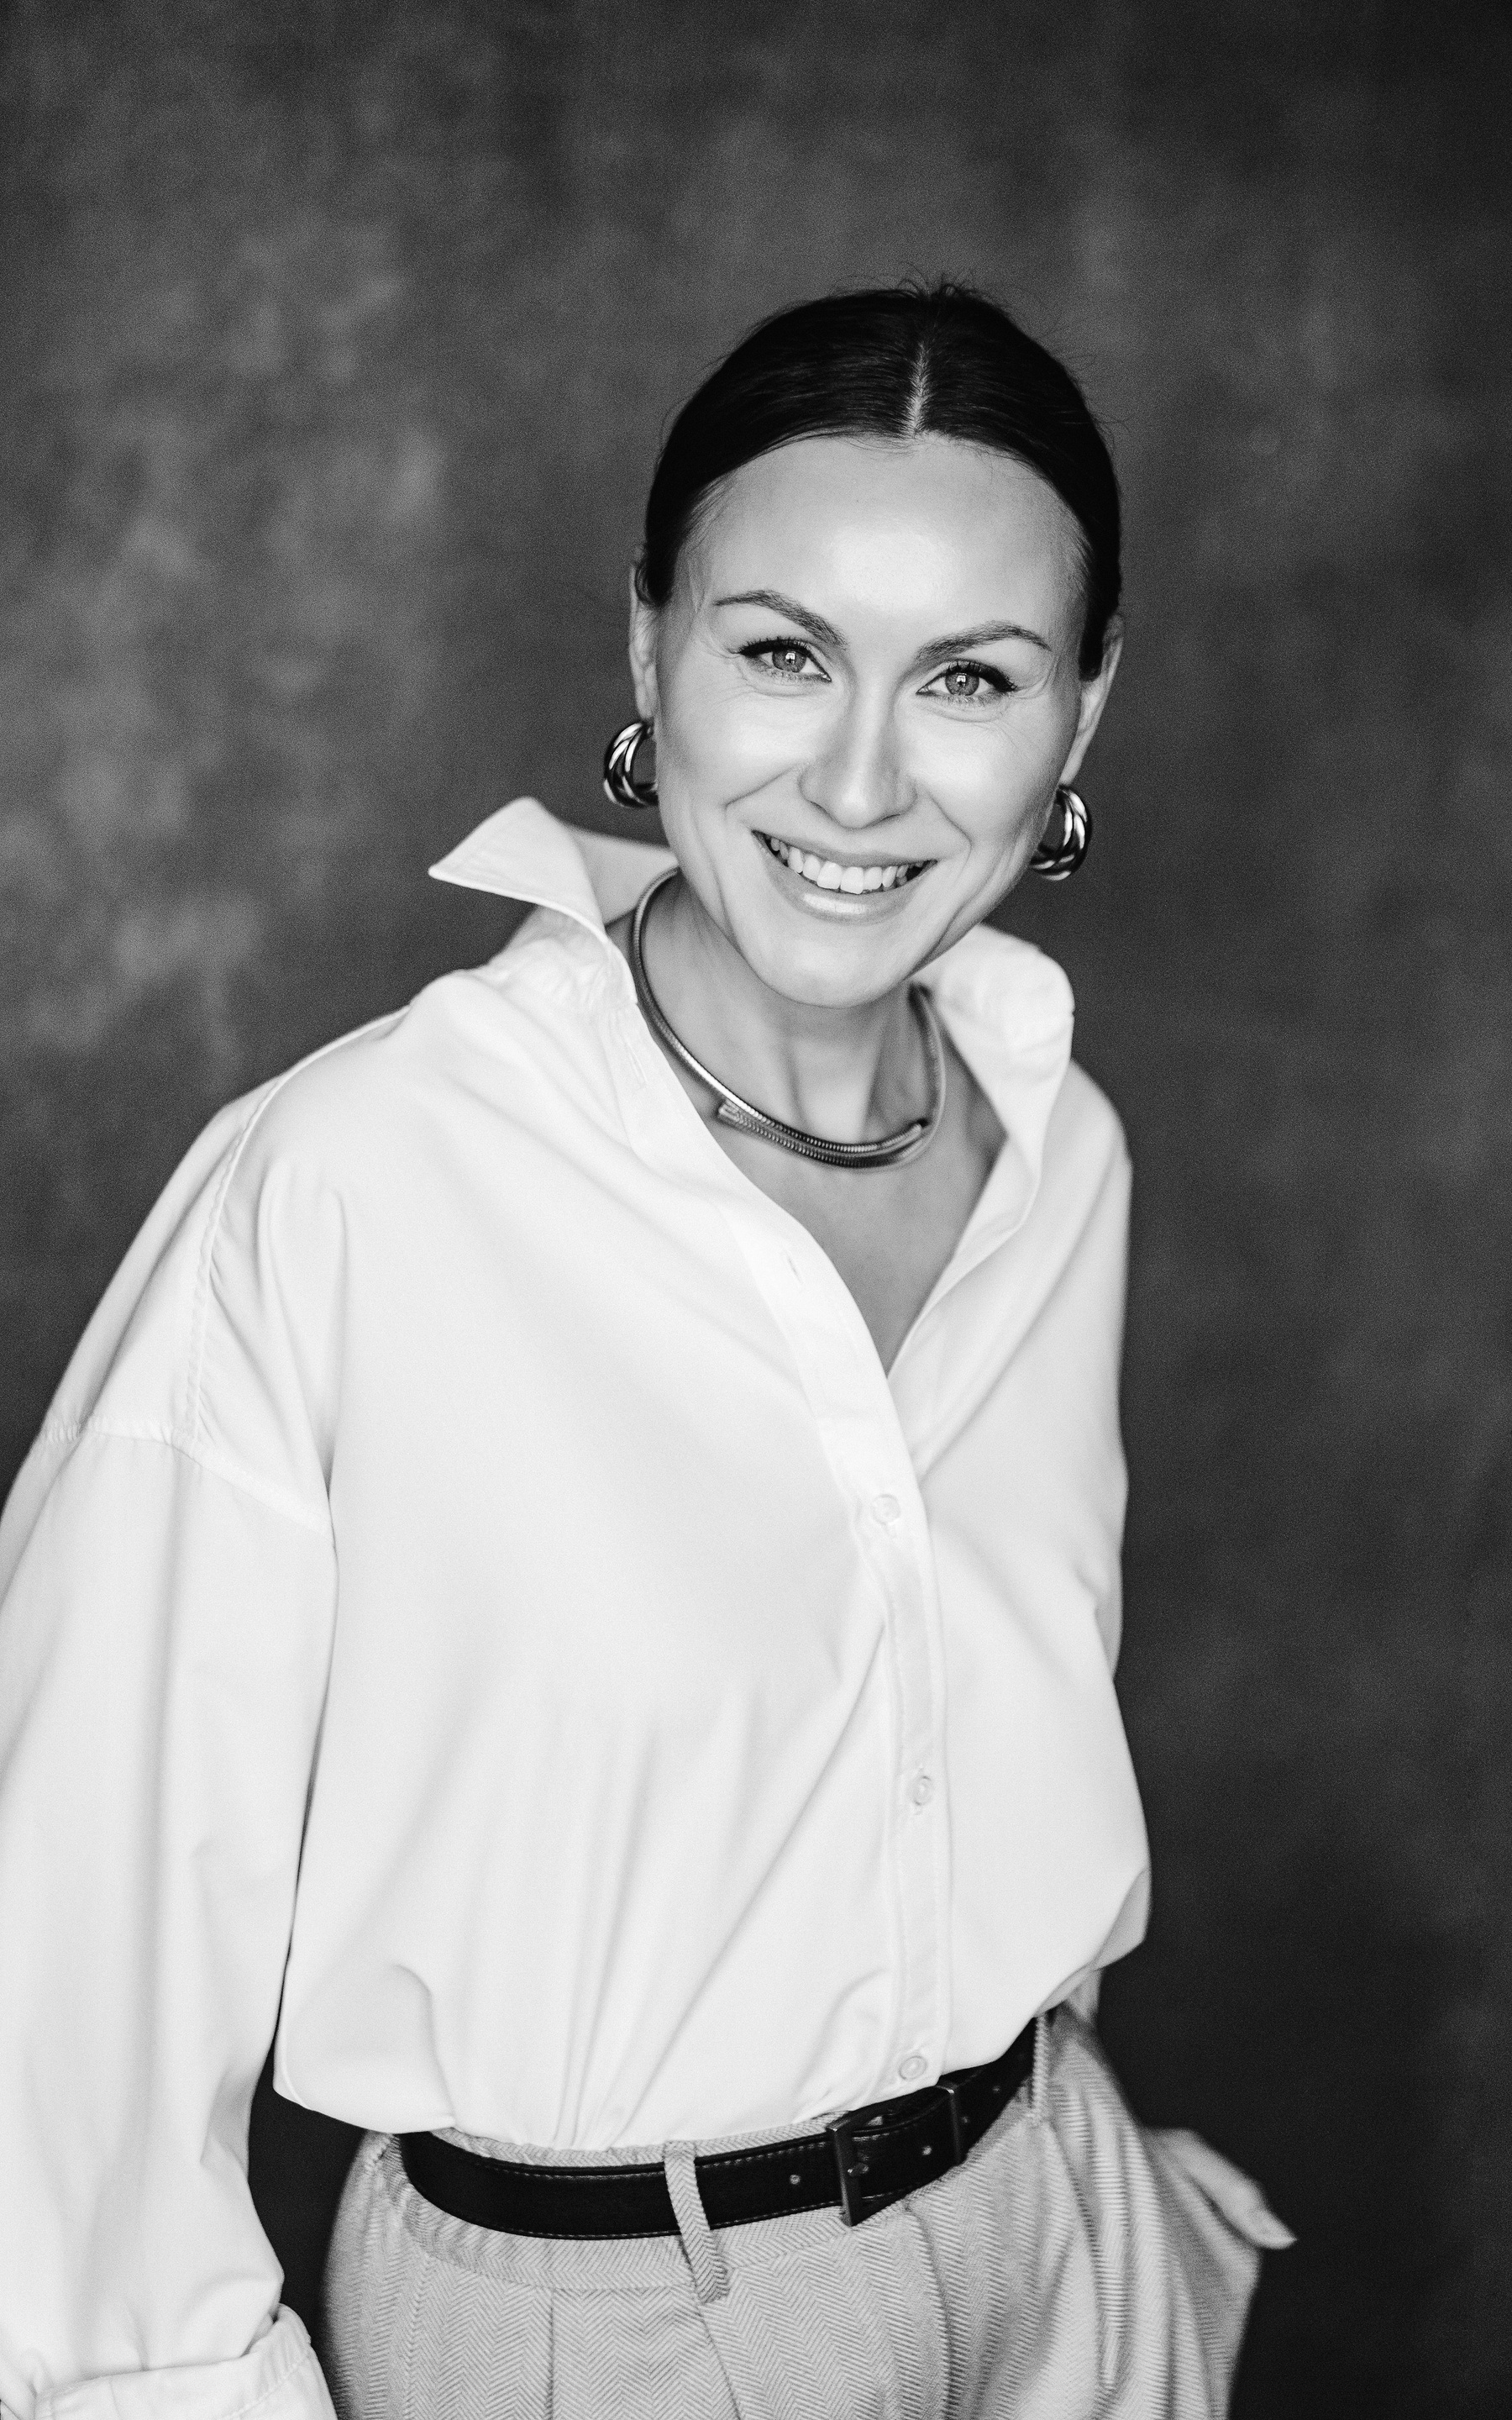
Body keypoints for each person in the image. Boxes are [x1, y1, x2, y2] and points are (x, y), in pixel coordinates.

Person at [0, 284, 1289, 2420]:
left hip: (1062, 2241)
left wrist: (1063, 2187)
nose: (859, 778)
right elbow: (66, 1957)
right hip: (606, 2328)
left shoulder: (1065, 1147)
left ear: (1082, 717)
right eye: (781, 651)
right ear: (647, 651)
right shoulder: (355, 1186)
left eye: (970, 677)